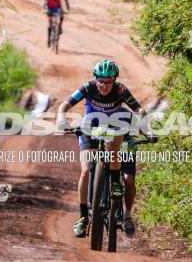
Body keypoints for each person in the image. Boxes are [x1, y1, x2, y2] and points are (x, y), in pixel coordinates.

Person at [56, 59, 154, 238]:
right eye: (101, 80)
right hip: (90, 129)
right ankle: (83, 217)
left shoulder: (121, 90)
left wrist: (148, 128)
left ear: (115, 80)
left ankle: (123, 205)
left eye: (109, 82)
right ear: (96, 79)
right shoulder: (88, 88)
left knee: (125, 168)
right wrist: (61, 121)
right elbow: (64, 105)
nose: (104, 85)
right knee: (85, 171)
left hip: (116, 130)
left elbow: (139, 109)